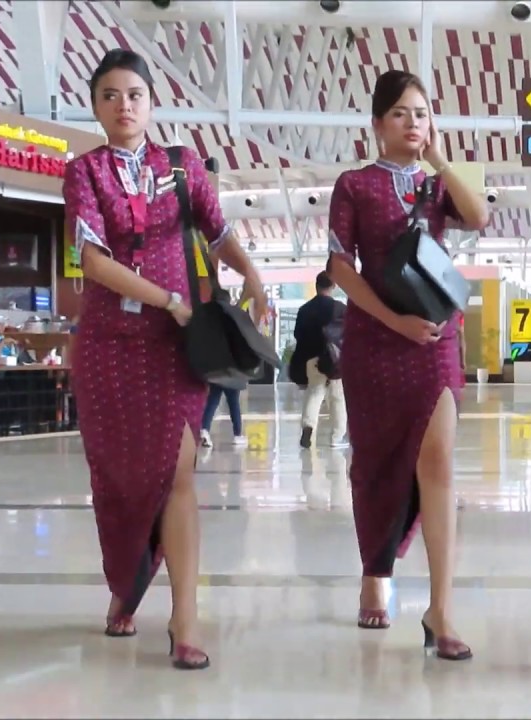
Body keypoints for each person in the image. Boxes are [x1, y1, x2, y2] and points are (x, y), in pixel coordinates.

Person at [63, 48, 268, 670]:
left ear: (152, 104)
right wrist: (169, 300)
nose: (123, 106)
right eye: (110, 96)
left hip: (176, 347)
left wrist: (254, 276)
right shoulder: (84, 172)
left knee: (177, 472)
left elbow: (217, 231)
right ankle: (127, 587)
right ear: (96, 107)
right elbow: (93, 261)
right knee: (121, 480)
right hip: (108, 347)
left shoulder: (181, 166)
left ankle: (185, 618)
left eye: (134, 94)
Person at [325, 69, 490, 661]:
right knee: (376, 465)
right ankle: (376, 569)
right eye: (400, 113)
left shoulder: (436, 185)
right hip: (376, 341)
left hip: (436, 340)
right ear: (377, 124)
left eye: (421, 113)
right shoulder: (355, 185)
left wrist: (441, 160)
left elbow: (479, 217)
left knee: (438, 463)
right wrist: (394, 322)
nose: (412, 123)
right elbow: (341, 267)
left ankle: (441, 608)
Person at [292, 271, 348, 449]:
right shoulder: (340, 308)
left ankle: (308, 426)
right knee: (337, 397)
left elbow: (298, 335)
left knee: (314, 393)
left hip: (312, 359)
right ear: (333, 286)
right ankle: (337, 437)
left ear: (316, 286)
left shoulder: (304, 309)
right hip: (334, 359)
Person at [200, 384, 245, 448]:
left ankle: (205, 429)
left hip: (217, 378)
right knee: (234, 403)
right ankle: (237, 435)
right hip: (231, 379)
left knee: (212, 402)